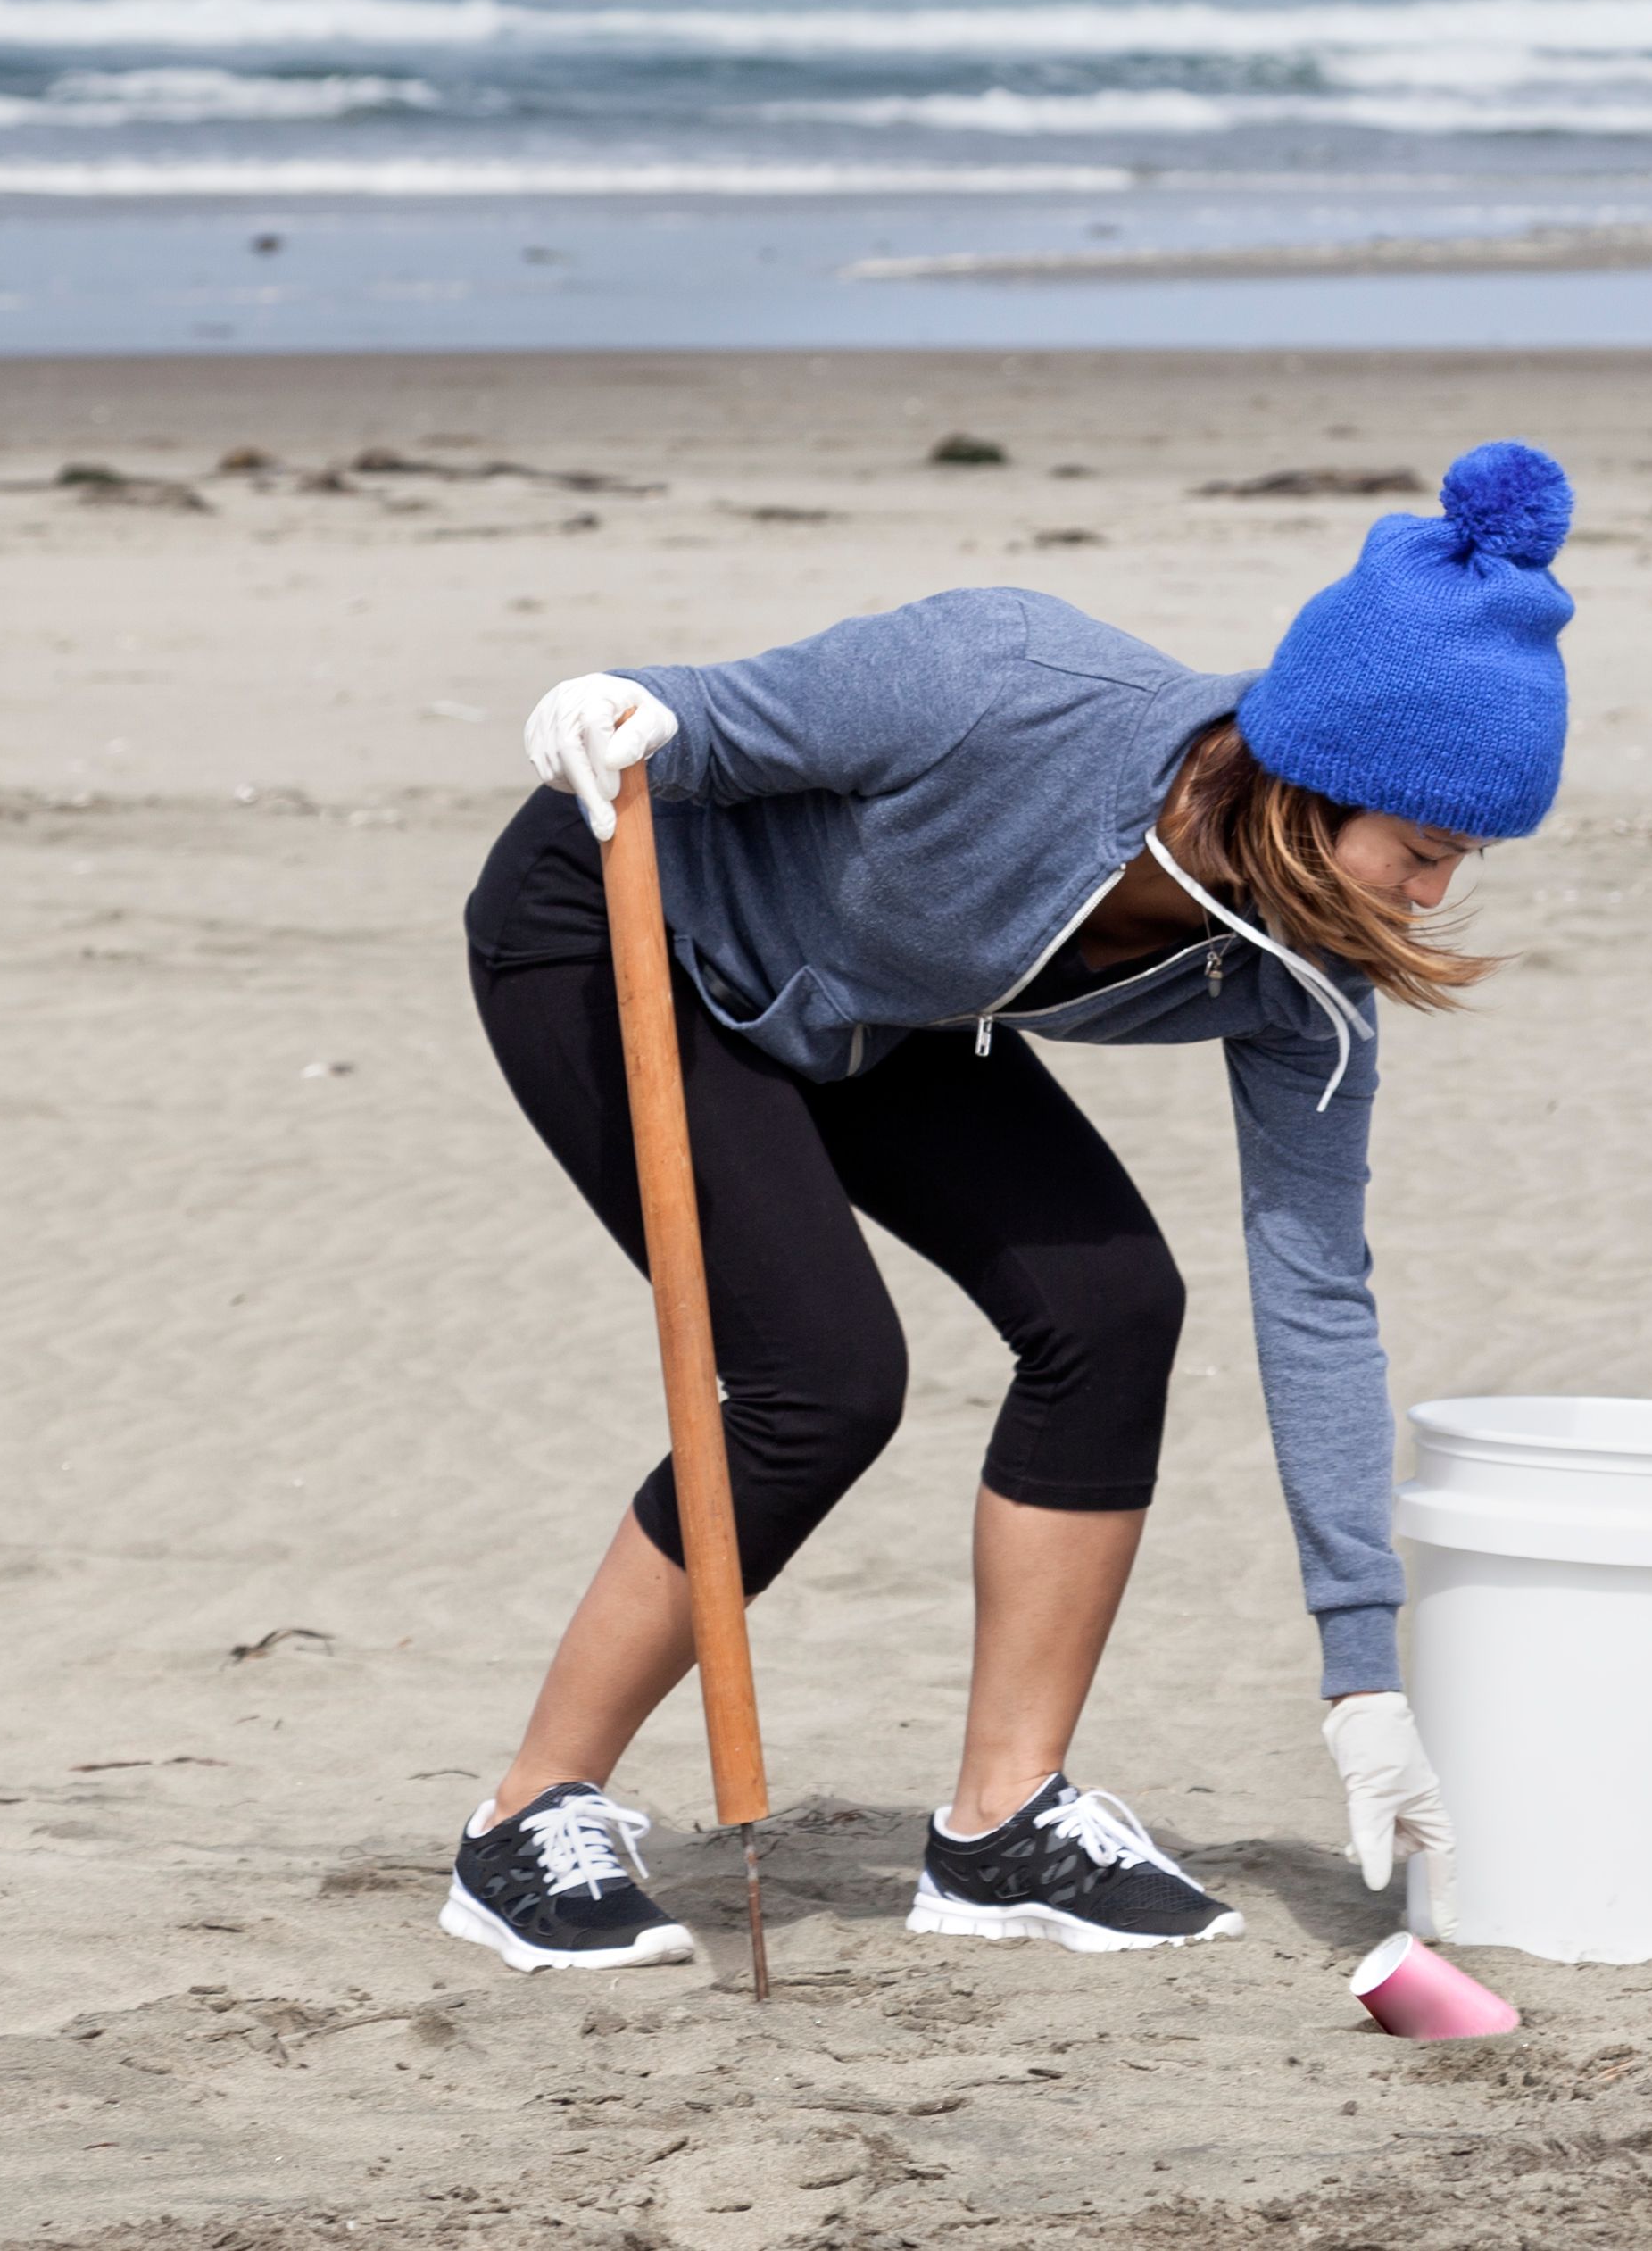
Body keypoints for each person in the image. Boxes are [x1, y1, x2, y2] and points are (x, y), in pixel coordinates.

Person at [433, 444, 1577, 1973]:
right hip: (621, 928)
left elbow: (1317, 1295)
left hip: (871, 1011)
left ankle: (1000, 1824)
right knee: (822, 1380)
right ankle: (526, 1815)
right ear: (1312, 788)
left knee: (1112, 1311)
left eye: (1463, 861)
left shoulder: (1307, 984)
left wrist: (1361, 1673)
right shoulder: (1008, 680)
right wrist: (610, 704)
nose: (1432, 896)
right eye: (1422, 851)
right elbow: (696, 718)